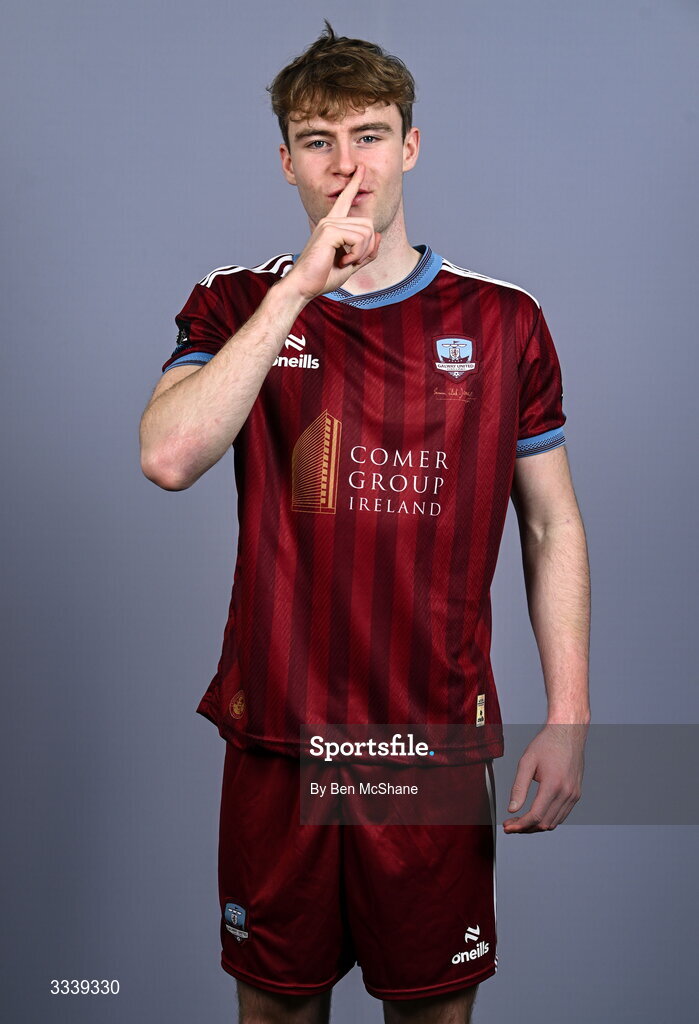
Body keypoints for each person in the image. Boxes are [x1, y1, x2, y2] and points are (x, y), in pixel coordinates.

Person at [139, 20, 590, 1024]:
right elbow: (169, 455)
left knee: (432, 1013)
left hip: (425, 749)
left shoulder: (504, 321)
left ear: (412, 146)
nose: (348, 165)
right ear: (286, 162)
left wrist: (569, 713)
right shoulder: (237, 302)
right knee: (278, 1011)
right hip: (281, 741)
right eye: (317, 140)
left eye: (371, 135)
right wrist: (303, 286)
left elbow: (552, 524)